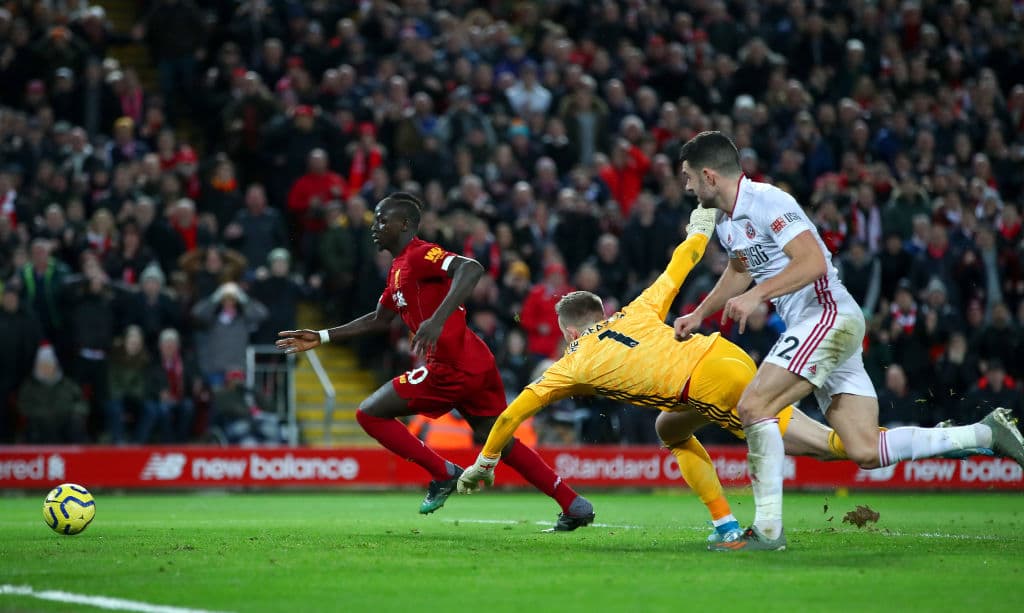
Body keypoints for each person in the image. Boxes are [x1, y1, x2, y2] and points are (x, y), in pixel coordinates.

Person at [457, 206, 983, 542]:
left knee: (834, 447)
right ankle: (724, 522)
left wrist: (484, 463)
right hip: (721, 354)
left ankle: (945, 440)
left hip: (710, 385)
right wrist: (702, 222)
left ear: (571, 331)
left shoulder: (572, 362)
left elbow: (509, 416)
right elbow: (681, 261)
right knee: (669, 427)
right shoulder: (636, 310)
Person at [670, 131, 1024, 551]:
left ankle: (766, 531)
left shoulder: (768, 201)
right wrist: (700, 313)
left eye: (689, 176)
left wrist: (758, 296)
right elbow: (739, 271)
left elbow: (813, 262)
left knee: (753, 406)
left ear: (709, 176)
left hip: (825, 315)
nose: (687, 187)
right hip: (823, 327)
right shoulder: (728, 223)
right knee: (864, 449)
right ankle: (984, 434)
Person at [277, 192, 594, 529]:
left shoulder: (419, 254)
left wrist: (437, 320)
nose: (374, 227)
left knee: (369, 413)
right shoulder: (398, 269)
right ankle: (573, 503)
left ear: (404, 224)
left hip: (451, 367)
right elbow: (379, 319)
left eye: (382, 220)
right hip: (475, 361)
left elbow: (470, 268)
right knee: (499, 439)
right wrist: (323, 336)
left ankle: (443, 473)